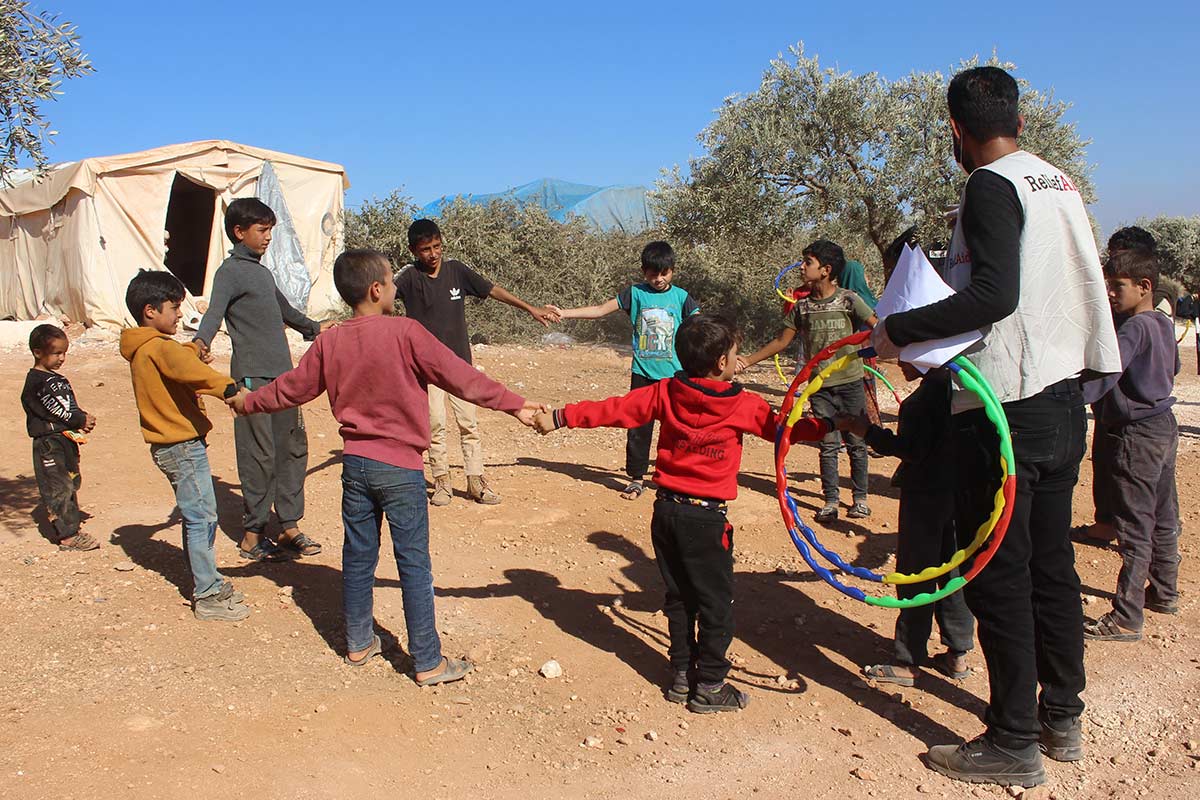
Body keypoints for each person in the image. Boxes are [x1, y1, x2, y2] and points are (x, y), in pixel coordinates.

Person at [872, 66, 1120, 788]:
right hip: (1063, 401)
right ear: (1017, 115)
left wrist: (899, 330)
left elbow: (994, 294)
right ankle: (1061, 715)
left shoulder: (990, 184)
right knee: (1051, 566)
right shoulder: (1056, 181)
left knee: (1000, 575)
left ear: (955, 128)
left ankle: (1014, 739)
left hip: (1004, 408)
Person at [232, 249, 542, 684]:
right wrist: (516, 406)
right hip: (400, 469)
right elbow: (461, 376)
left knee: (358, 557)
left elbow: (292, 389)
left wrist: (250, 403)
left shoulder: (331, 340)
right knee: (413, 562)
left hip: (356, 466)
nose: (397, 289)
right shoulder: (406, 333)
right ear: (376, 290)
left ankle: (359, 643)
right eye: (392, 284)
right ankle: (428, 661)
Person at [533, 313, 831, 712]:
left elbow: (614, 409)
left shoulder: (665, 392)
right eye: (735, 354)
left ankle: (679, 676)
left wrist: (559, 417)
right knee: (715, 604)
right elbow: (785, 430)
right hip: (707, 521)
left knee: (679, 599)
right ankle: (709, 684)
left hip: (667, 514)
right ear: (722, 363)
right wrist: (831, 425)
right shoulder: (743, 404)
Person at [193, 198, 335, 561]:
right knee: (259, 455)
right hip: (252, 378)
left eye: (270, 229)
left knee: (292, 449)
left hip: (285, 378)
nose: (268, 236)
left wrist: (317, 329)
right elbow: (214, 312)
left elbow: (285, 311)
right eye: (262, 230)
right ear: (240, 232)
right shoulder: (230, 272)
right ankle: (253, 534)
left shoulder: (262, 272)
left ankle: (289, 526)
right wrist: (200, 341)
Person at [396, 219, 558, 507]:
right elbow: (380, 297)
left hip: (461, 368)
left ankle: (475, 482)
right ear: (413, 250)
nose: (433, 254)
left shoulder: (456, 271)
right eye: (425, 250)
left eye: (437, 247)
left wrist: (530, 308)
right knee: (434, 425)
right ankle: (442, 482)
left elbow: (492, 290)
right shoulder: (408, 278)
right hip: (425, 370)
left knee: (468, 424)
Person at [120, 270, 249, 621]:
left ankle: (208, 578)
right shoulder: (159, 348)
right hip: (182, 447)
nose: (179, 314)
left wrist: (194, 349)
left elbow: (180, 361)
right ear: (151, 311)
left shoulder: (146, 348)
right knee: (202, 517)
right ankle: (207, 593)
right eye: (174, 307)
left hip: (172, 448)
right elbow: (189, 371)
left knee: (197, 515)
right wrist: (230, 388)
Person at [836, 363, 974, 686]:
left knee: (916, 573)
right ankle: (958, 653)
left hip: (926, 494)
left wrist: (867, 431)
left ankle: (908, 660)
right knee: (952, 572)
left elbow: (912, 449)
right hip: (959, 492)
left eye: (904, 353)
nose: (898, 363)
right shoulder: (958, 381)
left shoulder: (933, 392)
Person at [549, 241, 700, 500]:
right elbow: (599, 310)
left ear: (673, 271)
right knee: (638, 427)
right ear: (644, 272)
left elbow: (700, 326)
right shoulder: (635, 293)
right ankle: (637, 478)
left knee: (676, 429)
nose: (659, 279)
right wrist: (564, 313)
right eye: (653, 273)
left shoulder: (682, 297)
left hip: (674, 376)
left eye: (664, 273)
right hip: (642, 373)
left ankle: (675, 479)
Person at [738, 240, 877, 522]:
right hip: (819, 387)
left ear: (825, 270)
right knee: (827, 442)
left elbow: (877, 328)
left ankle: (860, 499)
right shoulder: (802, 308)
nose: (802, 267)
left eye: (808, 262)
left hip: (850, 381)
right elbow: (781, 341)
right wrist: (747, 361)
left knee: (856, 441)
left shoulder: (849, 300)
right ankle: (831, 500)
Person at [1082, 249, 1181, 641]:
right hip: (1163, 425)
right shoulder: (1162, 324)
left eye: (1117, 286)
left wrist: (1072, 395)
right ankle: (1164, 591)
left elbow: (1107, 372)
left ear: (1145, 287)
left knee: (1135, 526)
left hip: (1135, 435)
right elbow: (1171, 369)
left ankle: (1126, 616)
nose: (1110, 293)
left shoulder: (1132, 330)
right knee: (1164, 515)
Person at [1073, 226, 1160, 546]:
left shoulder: (1145, 312)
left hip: (1130, 409)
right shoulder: (1124, 299)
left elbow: (1115, 366)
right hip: (1114, 407)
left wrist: (1078, 396)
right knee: (1107, 462)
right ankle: (1107, 523)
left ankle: (1138, 540)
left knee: (1132, 475)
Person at [21, 324, 98, 551]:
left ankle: (70, 525)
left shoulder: (59, 380)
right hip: (49, 443)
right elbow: (53, 409)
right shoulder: (36, 382)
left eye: (64, 352)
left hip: (65, 439)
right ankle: (68, 535)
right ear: (38, 352)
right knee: (59, 487)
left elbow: (68, 405)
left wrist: (81, 419)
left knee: (71, 481)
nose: (62, 358)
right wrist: (79, 419)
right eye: (56, 353)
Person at [839, 259, 884, 428]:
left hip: (845, 354)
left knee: (847, 393)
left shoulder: (839, 299)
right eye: (863, 273)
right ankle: (872, 431)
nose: (867, 278)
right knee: (866, 391)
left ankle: (849, 433)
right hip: (864, 353)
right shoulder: (865, 300)